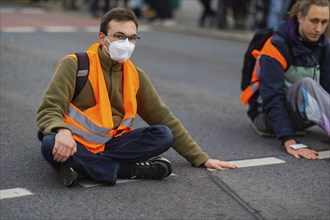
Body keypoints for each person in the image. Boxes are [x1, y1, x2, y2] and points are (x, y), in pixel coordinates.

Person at [36, 7, 237, 187]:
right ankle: (129, 170)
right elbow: (49, 109)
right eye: (119, 36)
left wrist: (201, 158)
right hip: (76, 141)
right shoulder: (75, 64)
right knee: (49, 142)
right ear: (101, 37)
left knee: (164, 134)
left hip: (113, 144)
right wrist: (62, 131)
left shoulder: (135, 75)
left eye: (132, 38)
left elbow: (163, 117)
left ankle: (80, 167)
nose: (127, 43)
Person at [240, 0, 330, 160]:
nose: (319, 29)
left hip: (300, 116)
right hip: (267, 118)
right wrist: (289, 140)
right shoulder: (276, 46)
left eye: (324, 22)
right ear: (300, 17)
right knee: (307, 84)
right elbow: (272, 98)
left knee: (310, 86)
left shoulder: (323, 45)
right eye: (314, 21)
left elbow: (327, 88)